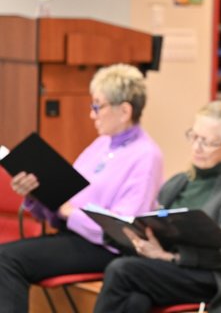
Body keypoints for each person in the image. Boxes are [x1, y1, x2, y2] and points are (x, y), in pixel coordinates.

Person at [0, 63, 163, 312]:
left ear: (125, 110)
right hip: (75, 238)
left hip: (108, 249)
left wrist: (69, 212)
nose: (92, 114)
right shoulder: (100, 145)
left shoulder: (146, 155)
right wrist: (37, 195)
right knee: (5, 256)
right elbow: (67, 201)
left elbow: (124, 230)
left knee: (5, 259)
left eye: (98, 106)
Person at [94, 100, 221, 313]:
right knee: (135, 299)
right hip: (173, 267)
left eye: (208, 142)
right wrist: (136, 238)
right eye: (194, 137)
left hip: (212, 276)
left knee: (122, 270)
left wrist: (171, 257)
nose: (196, 147)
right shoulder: (180, 181)